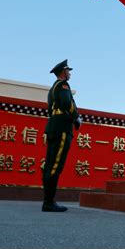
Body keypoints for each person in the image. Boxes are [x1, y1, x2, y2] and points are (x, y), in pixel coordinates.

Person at [42, 59, 81, 212]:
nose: (70, 73)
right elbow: (67, 103)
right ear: (63, 72)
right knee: (56, 164)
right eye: (68, 71)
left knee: (50, 164)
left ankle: (48, 200)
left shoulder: (53, 88)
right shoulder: (63, 85)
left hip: (53, 126)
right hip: (62, 127)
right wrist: (76, 117)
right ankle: (49, 202)